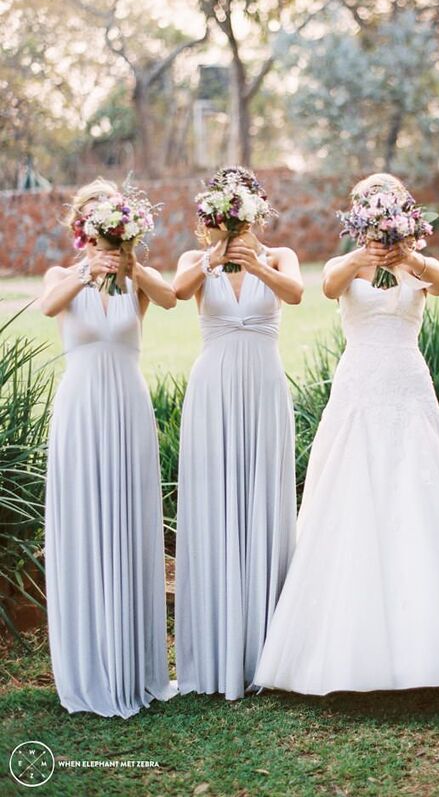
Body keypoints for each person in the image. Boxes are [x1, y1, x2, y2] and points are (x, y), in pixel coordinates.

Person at [254, 173, 439, 695]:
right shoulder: (349, 263)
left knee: (421, 497)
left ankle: (435, 648)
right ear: (359, 217)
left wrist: (407, 255)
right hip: (360, 388)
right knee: (350, 498)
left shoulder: (414, 262)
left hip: (407, 386)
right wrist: (365, 257)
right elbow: (330, 285)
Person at [41, 177, 176, 717]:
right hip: (80, 408)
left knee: (126, 521)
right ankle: (88, 662)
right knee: (85, 523)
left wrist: (132, 266)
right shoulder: (62, 274)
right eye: (96, 225)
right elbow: (49, 306)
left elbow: (170, 299)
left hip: (126, 404)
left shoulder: (137, 279)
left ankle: (134, 661)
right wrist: (84, 271)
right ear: (83, 230)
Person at [172, 167, 302, 700]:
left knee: (263, 501)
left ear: (259, 212)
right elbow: (178, 292)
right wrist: (215, 254)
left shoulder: (279, 256)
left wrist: (257, 264)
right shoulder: (194, 260)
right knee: (217, 502)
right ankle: (216, 652)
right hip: (215, 387)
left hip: (265, 385)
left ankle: (267, 649)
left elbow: (295, 294)